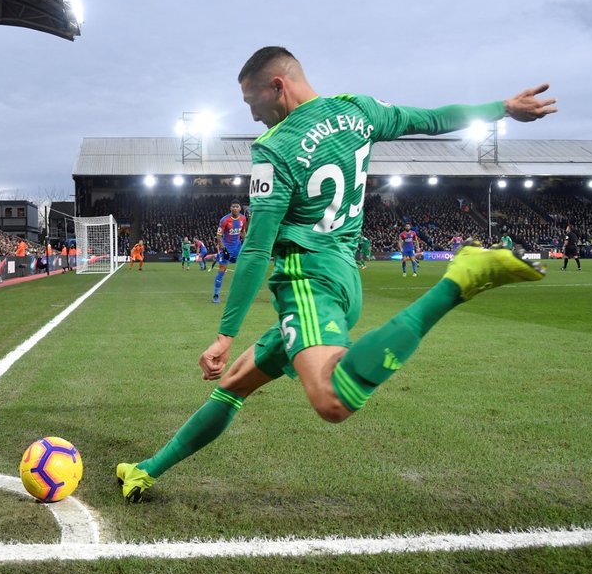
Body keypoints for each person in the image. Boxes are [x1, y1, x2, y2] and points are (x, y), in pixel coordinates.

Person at [116, 45, 555, 502]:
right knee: (234, 385)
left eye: (252, 103)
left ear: (277, 86)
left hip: (307, 280)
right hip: (345, 276)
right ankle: (147, 470)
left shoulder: (275, 147)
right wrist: (502, 108)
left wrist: (225, 335)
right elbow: (433, 118)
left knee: (330, 399)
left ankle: (459, 280)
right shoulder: (358, 111)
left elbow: (258, 246)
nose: (253, 117)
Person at [213, 202, 248, 303]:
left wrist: (246, 242)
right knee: (222, 269)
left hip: (237, 247)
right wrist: (224, 249)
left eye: (237, 206)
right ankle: (216, 295)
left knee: (243, 267)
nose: (235, 208)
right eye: (233, 206)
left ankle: (241, 293)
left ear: (240, 208)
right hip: (227, 248)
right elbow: (219, 236)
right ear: (230, 208)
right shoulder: (224, 220)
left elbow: (242, 232)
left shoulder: (243, 219)